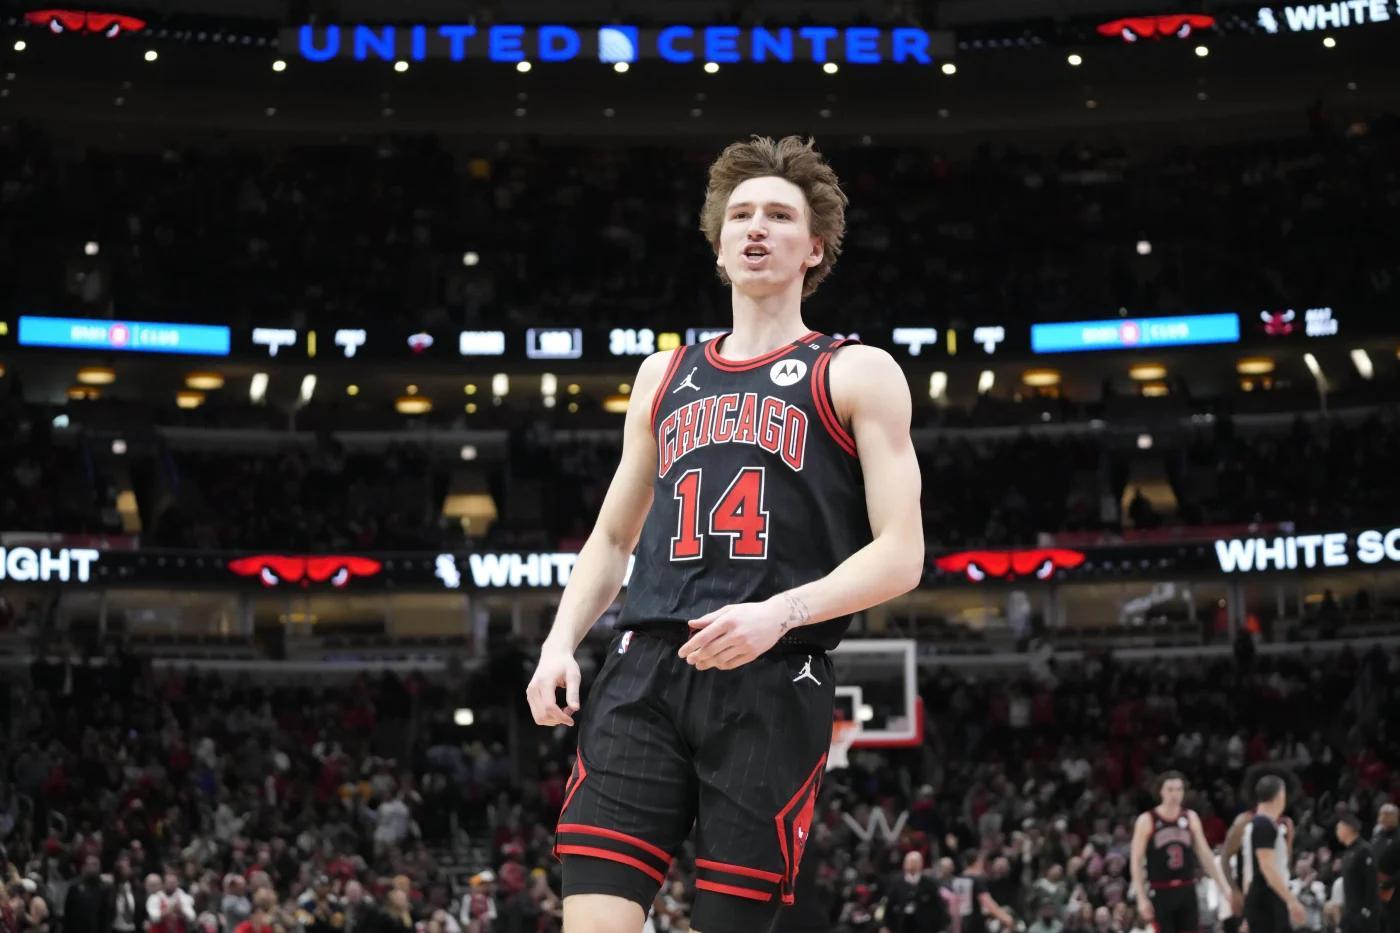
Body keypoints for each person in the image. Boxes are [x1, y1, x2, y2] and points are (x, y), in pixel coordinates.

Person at [525, 135, 924, 933]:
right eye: (740, 214)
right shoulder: (662, 374)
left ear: (815, 247)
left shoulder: (856, 370)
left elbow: (901, 552)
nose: (756, 227)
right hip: (643, 670)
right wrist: (559, 642)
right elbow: (612, 539)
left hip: (773, 673)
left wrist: (780, 612)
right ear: (717, 245)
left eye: (779, 215)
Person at [1130, 772, 1240, 933]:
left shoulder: (1190, 817)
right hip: (1160, 890)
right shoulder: (1147, 820)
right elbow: (1136, 861)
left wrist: (1224, 888)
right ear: (1160, 791)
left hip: (1187, 889)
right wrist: (1141, 897)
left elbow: (1205, 855)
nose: (1175, 794)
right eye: (1170, 789)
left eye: (1179, 789)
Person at [1243, 775, 1306, 933]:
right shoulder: (1263, 825)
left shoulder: (1257, 824)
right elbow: (1267, 868)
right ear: (1280, 795)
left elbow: (1250, 869)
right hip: (1267, 899)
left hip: (1264, 898)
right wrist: (1291, 901)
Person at [882, 851, 951, 933]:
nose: (911, 865)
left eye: (914, 862)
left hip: (924, 927)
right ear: (904, 864)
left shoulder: (929, 883)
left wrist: (940, 926)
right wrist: (886, 925)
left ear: (921, 864)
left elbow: (938, 906)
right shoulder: (896, 883)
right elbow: (889, 906)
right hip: (902, 926)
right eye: (909, 862)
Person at [1336, 813, 1381, 933]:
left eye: (1339, 828)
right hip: (1350, 912)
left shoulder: (1364, 850)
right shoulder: (1348, 852)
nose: (1337, 832)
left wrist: (1366, 911)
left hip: (1362, 915)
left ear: (1348, 828)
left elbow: (1371, 883)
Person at [62, 855, 112, 933]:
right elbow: (68, 915)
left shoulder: (105, 890)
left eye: (95, 865)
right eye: (89, 864)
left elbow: (106, 917)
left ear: (100, 868)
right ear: (84, 867)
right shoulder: (74, 888)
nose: (92, 868)